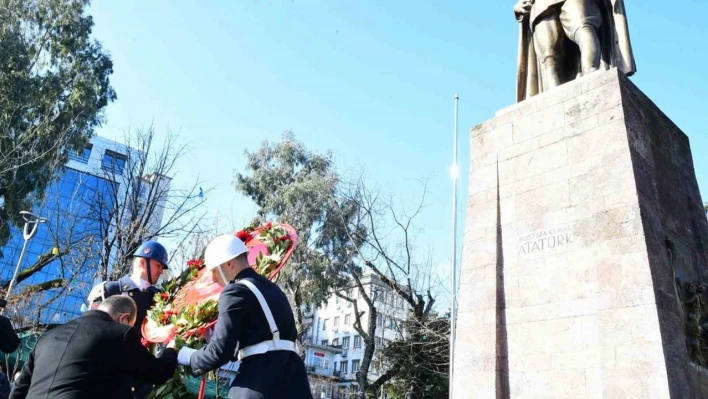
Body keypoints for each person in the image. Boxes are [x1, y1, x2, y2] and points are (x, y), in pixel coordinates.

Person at [177, 234, 312, 398]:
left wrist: (189, 357)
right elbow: (262, 337)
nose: (213, 278)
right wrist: (215, 338)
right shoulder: (274, 290)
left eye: (214, 271)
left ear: (228, 263)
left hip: (259, 385)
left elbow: (220, 353)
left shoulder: (235, 292)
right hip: (295, 384)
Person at [9, 296, 177, 399]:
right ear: (124, 319)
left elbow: (20, 387)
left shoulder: (48, 336)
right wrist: (171, 347)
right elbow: (158, 372)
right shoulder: (120, 334)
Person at [86, 241, 169, 399]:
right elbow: (90, 331)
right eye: (158, 265)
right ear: (143, 262)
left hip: (140, 382)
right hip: (106, 377)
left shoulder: (160, 298)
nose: (161, 271)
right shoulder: (110, 290)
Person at [514, 0, 636, 101]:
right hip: (540, 7)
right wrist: (519, 6)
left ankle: (591, 74)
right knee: (549, 57)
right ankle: (554, 98)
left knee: (583, 28)